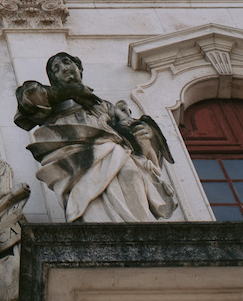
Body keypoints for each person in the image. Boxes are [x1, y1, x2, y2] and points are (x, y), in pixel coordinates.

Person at [14, 52, 176, 223]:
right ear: (53, 80)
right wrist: (73, 91)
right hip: (77, 155)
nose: (64, 69)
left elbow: (128, 133)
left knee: (131, 173)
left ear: (79, 67)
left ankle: (141, 228)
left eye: (67, 62)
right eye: (56, 69)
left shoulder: (103, 105)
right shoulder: (54, 103)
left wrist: (146, 132)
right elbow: (28, 97)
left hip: (112, 148)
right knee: (89, 195)